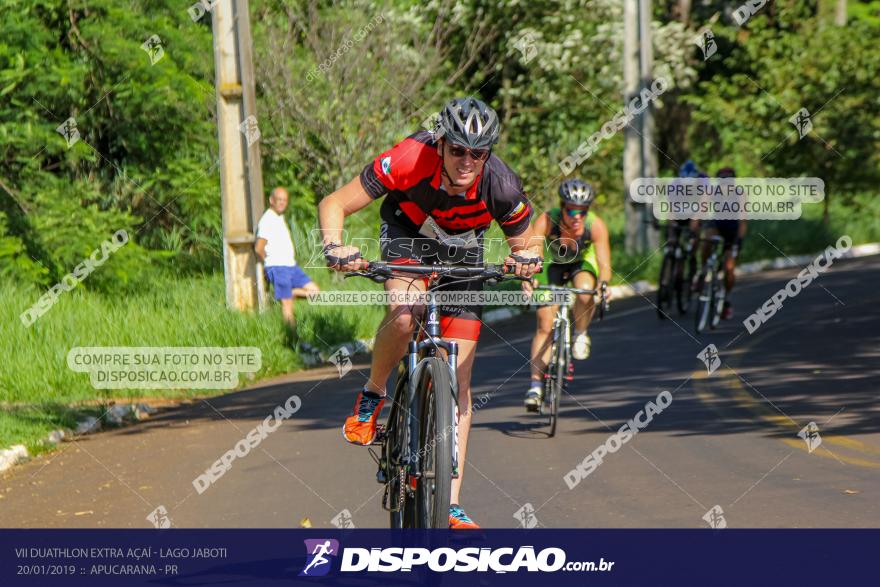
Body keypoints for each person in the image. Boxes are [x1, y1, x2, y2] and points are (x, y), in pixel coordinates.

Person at [317, 97, 542, 529]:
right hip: (408, 234)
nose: (467, 161)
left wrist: (525, 261)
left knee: (459, 379)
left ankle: (451, 502)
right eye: (458, 149)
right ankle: (373, 394)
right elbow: (335, 203)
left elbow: (527, 243)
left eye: (478, 153)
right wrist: (334, 246)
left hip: (464, 252)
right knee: (406, 315)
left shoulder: (502, 185)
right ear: (441, 143)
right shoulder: (408, 158)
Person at [522, 179, 612, 411]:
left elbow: (604, 266)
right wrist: (529, 279)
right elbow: (533, 252)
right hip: (551, 265)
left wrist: (603, 286)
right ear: (562, 207)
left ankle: (581, 333)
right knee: (544, 324)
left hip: (582, 263)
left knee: (584, 292)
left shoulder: (596, 226)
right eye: (572, 210)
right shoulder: (546, 220)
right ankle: (535, 385)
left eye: (583, 211)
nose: (577, 216)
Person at [255, 187, 319, 328]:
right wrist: (267, 268)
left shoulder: (279, 217)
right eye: (279, 200)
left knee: (315, 292)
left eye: (285, 200)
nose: (282, 203)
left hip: (291, 266)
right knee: (288, 306)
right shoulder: (267, 220)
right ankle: (292, 339)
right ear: (271, 200)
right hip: (278, 268)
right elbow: (259, 248)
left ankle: (288, 292)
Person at [703, 167, 747, 319]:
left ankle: (726, 299)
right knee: (706, 240)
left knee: (729, 268)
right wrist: (694, 227)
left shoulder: (740, 194)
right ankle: (703, 270)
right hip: (717, 225)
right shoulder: (712, 192)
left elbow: (743, 221)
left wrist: (739, 241)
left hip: (732, 230)